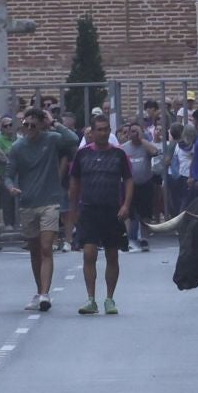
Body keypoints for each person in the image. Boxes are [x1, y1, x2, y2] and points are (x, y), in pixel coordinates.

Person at [8, 107, 77, 311]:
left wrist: (53, 122)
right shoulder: (18, 147)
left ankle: (46, 293)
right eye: (26, 124)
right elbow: (8, 173)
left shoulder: (52, 139)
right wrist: (10, 186)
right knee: (35, 250)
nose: (29, 128)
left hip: (50, 201)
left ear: (41, 124)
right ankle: (39, 290)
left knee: (47, 247)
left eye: (33, 124)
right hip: (28, 202)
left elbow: (73, 139)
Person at [67, 113, 133, 315]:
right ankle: (90, 299)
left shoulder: (119, 154)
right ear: (92, 132)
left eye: (106, 129)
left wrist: (126, 205)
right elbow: (74, 181)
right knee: (89, 253)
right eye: (100, 129)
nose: (103, 133)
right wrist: (74, 208)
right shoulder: (82, 154)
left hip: (112, 210)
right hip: (89, 209)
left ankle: (110, 299)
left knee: (112, 254)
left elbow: (129, 179)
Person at [120, 122, 162, 248]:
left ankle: (144, 238)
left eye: (136, 131)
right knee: (128, 213)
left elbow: (155, 152)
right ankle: (128, 239)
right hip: (129, 185)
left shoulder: (146, 146)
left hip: (145, 184)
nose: (133, 134)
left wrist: (141, 139)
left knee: (145, 214)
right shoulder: (124, 147)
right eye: (131, 131)